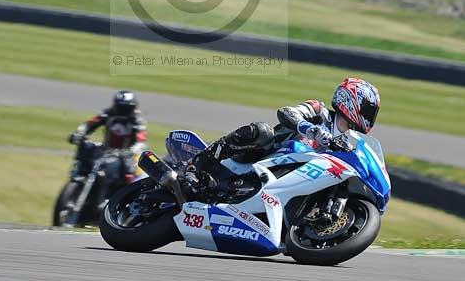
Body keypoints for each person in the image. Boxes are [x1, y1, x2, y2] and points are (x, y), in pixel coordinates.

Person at [186, 78, 380, 190]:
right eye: (368, 110)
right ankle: (199, 163)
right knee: (262, 131)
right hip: (266, 155)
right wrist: (310, 129)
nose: (370, 117)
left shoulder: (349, 144)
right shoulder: (319, 111)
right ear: (350, 100)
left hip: (296, 180)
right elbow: (286, 112)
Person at [68, 90, 147, 205]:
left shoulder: (137, 119)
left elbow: (141, 139)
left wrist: (132, 150)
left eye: (126, 107)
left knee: (130, 171)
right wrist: (79, 134)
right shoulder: (108, 113)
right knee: (86, 148)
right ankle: (78, 175)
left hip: (125, 154)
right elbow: (89, 124)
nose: (123, 110)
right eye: (120, 107)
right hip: (106, 150)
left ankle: (124, 199)